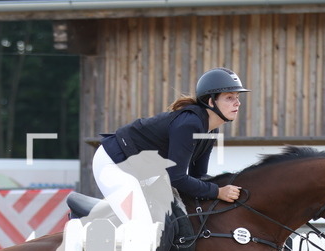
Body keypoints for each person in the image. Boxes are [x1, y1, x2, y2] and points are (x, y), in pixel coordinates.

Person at [92, 67, 249, 225]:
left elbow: (198, 175)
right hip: (114, 163)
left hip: (141, 171)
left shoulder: (211, 129)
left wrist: (225, 187)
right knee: (141, 226)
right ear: (210, 102)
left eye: (237, 97)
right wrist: (218, 191)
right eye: (229, 98)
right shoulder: (190, 124)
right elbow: (176, 177)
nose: (238, 103)